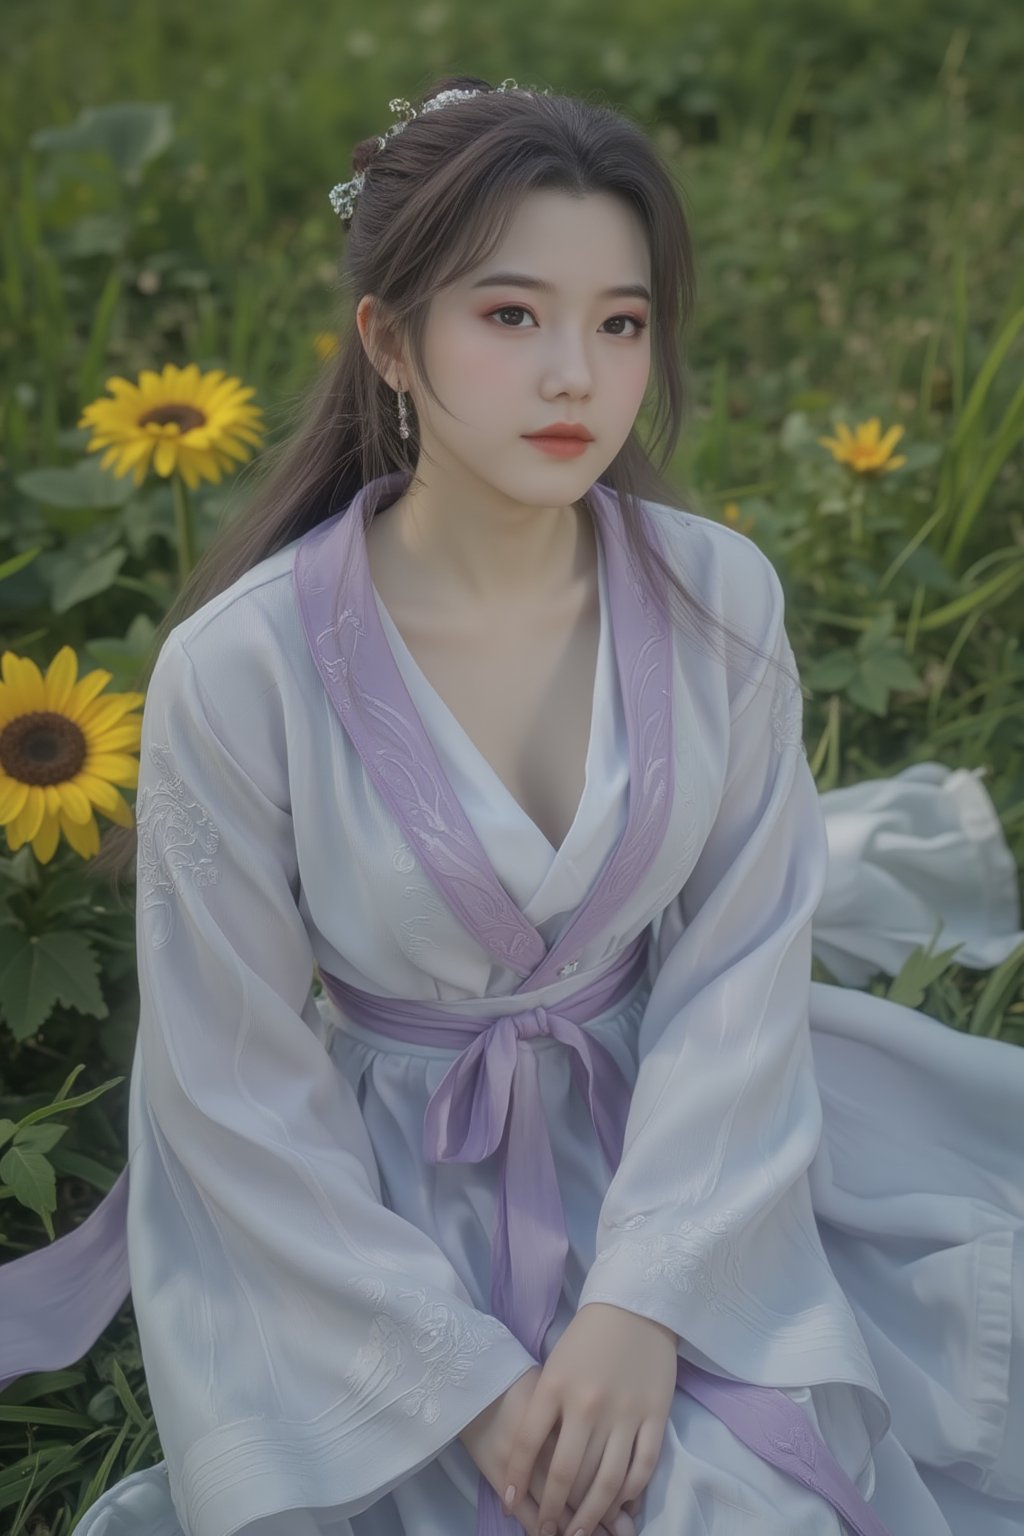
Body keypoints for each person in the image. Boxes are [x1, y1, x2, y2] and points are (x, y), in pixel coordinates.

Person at [1, 75, 1021, 1536]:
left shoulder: (718, 596)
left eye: (620, 322)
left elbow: (739, 967)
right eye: (510, 316)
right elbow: (225, 1081)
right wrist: (466, 1384)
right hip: (378, 1205)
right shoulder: (244, 666)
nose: (575, 378)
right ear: (389, 340)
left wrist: (648, 1300)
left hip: (685, 1130)